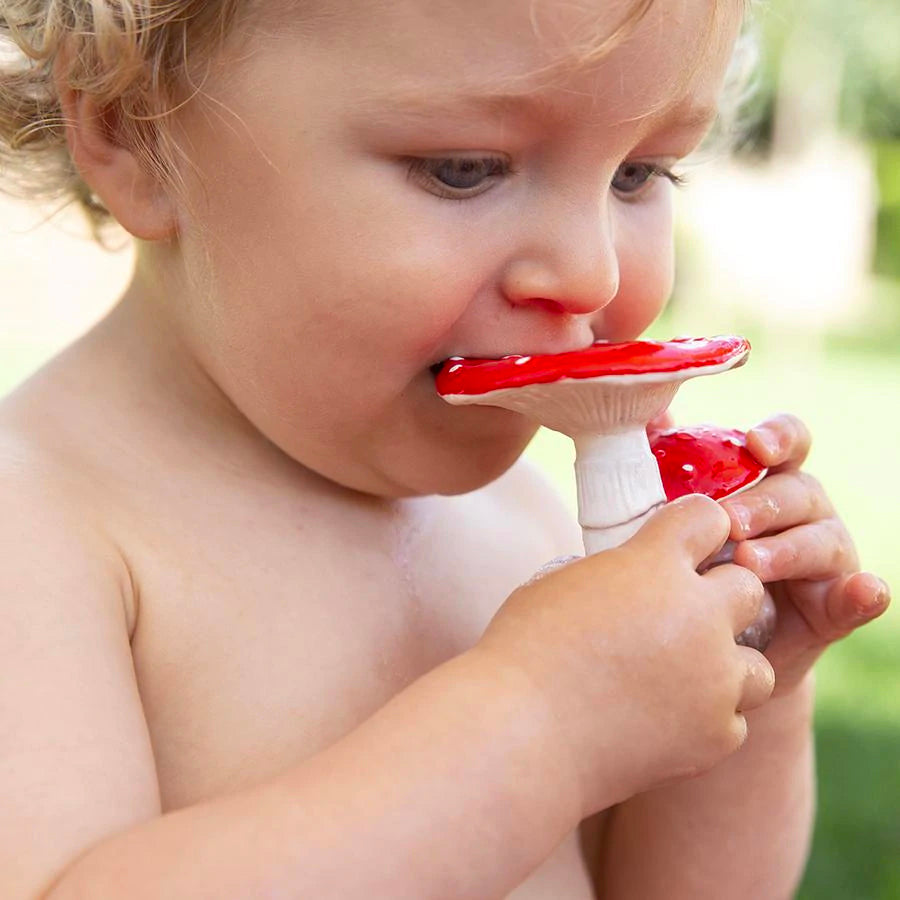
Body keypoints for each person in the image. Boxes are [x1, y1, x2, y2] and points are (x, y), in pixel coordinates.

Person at [0, 0, 890, 897]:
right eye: (466, 169)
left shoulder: (520, 520)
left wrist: (751, 689)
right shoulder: (45, 527)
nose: (593, 273)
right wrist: (540, 724)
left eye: (639, 173)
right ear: (133, 129)